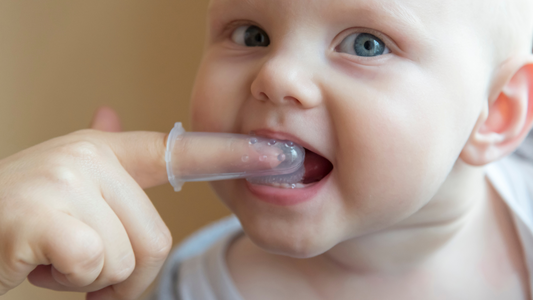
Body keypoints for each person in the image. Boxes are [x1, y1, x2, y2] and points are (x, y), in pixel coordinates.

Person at [2, 0, 533, 299]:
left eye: (365, 44)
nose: (275, 75)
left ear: (498, 112)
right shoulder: (189, 289)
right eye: (252, 34)